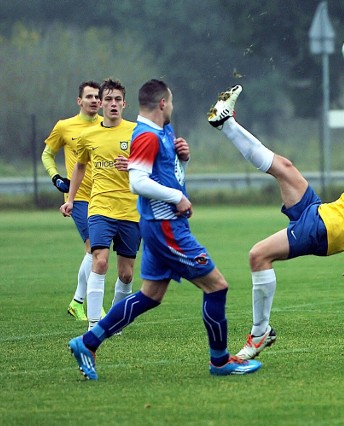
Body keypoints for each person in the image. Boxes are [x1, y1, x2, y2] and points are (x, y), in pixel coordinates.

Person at [207, 85, 344, 360]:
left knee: (258, 255)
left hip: (323, 229)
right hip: (319, 211)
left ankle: (260, 333)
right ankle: (226, 123)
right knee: (283, 167)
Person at [67, 79, 261, 380]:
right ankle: (220, 362)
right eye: (169, 102)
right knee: (217, 286)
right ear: (162, 104)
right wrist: (178, 197)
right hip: (165, 227)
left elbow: (168, 174)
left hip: (162, 226)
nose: (171, 106)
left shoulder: (163, 132)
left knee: (150, 295)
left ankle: (87, 342)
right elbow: (138, 181)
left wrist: (184, 158)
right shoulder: (145, 135)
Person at [60, 78, 140, 331]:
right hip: (100, 208)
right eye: (108, 99)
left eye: (117, 99)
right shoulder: (88, 135)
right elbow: (80, 166)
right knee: (100, 260)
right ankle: (95, 325)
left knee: (126, 274)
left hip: (130, 210)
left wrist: (133, 165)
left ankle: (115, 321)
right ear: (102, 103)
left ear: (124, 104)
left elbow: (154, 166)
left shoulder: (137, 132)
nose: (113, 104)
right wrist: (71, 200)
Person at [42, 81, 101, 321]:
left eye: (98, 96)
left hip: (103, 197)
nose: (95, 100)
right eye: (89, 96)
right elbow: (47, 153)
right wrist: (55, 177)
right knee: (95, 249)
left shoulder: (106, 126)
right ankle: (85, 304)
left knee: (97, 252)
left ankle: (77, 302)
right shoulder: (65, 127)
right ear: (79, 101)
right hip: (77, 199)